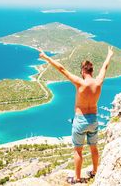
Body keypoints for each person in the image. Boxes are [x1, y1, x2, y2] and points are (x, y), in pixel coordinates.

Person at [38, 45, 114, 184]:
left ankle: (77, 179)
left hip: (80, 120)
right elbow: (105, 67)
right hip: (93, 120)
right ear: (92, 70)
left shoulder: (80, 83)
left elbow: (62, 69)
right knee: (94, 148)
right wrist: (109, 55)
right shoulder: (98, 82)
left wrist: (46, 57)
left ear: (83, 71)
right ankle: (95, 172)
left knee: (78, 151)